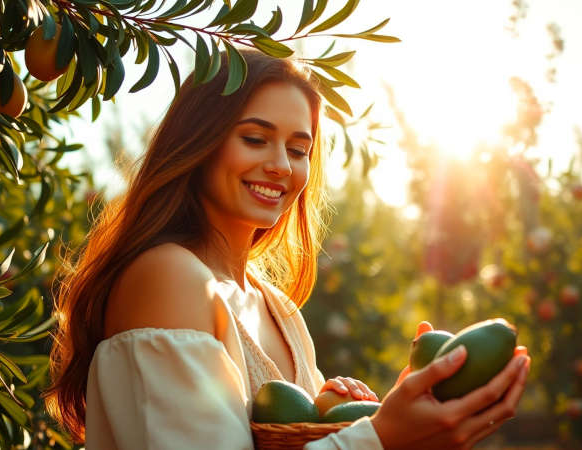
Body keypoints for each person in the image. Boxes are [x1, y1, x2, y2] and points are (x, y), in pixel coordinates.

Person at [43, 48, 531, 449]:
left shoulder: (278, 308)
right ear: (200, 143)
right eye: (256, 139)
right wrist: (381, 438)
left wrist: (367, 411)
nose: (280, 165)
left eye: (298, 150)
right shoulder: (168, 276)